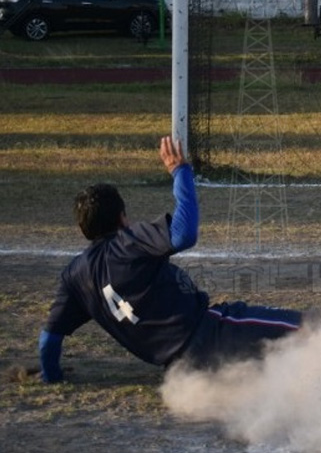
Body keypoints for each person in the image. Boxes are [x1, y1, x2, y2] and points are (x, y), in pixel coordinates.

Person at [37, 136, 302, 382]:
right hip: (213, 334)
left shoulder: (74, 276)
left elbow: (49, 339)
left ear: (84, 229)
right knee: (311, 329)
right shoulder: (128, 242)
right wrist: (180, 172)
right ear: (122, 218)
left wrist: (52, 376)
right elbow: (183, 235)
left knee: (276, 367)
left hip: (182, 370)